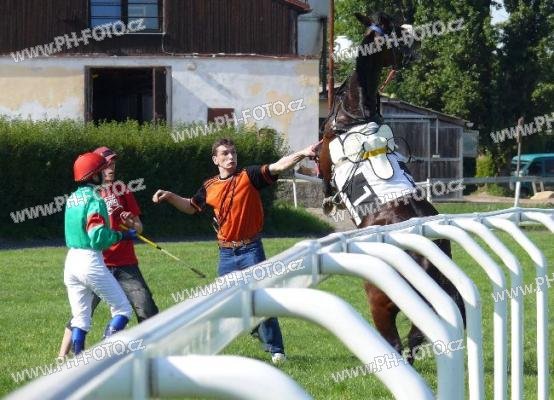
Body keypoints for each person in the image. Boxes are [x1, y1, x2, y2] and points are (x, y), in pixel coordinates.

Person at [152, 137, 319, 364]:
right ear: (215, 159)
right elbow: (191, 206)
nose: (230, 157)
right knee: (223, 303)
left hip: (251, 249)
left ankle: (277, 351)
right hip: (226, 254)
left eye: (233, 153)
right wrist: (170, 196)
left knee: (262, 299)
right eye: (225, 153)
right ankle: (246, 330)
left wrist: (303, 152)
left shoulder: (248, 176)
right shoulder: (209, 186)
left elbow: (278, 166)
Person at [58, 147, 159, 357]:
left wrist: (130, 225)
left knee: (81, 317)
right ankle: (104, 353)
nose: (108, 170)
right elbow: (97, 236)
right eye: (102, 168)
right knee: (122, 309)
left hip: (72, 260)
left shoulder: (73, 197)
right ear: (94, 174)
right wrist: (121, 236)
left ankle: (78, 361)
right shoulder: (95, 198)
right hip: (92, 260)